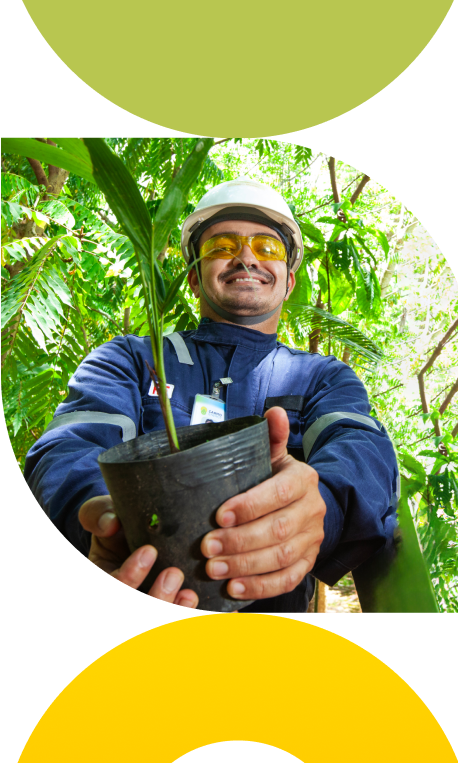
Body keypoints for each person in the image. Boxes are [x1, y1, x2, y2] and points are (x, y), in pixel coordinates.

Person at [24, 176, 399, 613]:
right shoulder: (129, 358)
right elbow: (67, 446)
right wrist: (105, 521)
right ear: (194, 279)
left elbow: (363, 448)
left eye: (267, 247)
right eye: (222, 246)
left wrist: (321, 506)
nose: (245, 256)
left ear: (288, 281)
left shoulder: (323, 377)